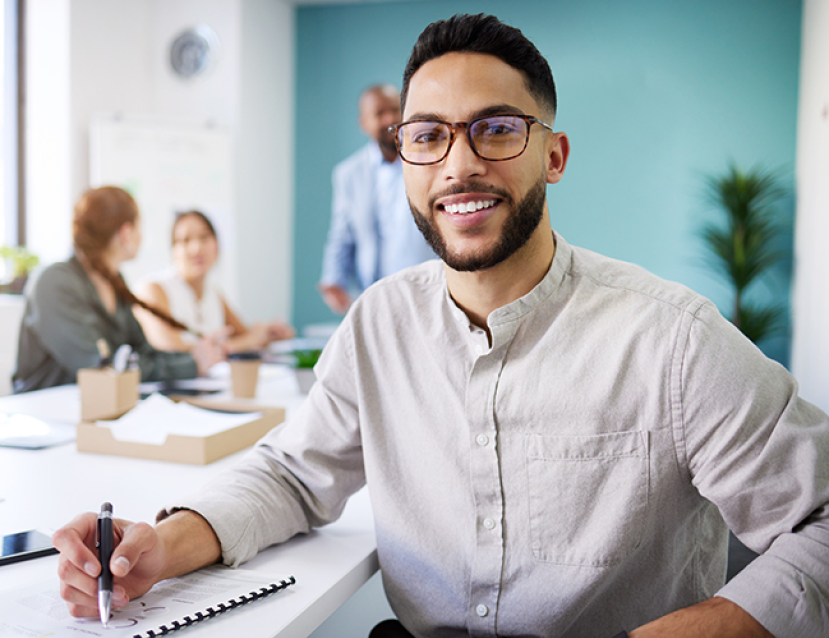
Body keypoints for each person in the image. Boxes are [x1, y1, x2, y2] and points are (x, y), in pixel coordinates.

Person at [52, 14, 829, 638]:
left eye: (495, 129)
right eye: (427, 136)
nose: (459, 164)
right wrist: (164, 545)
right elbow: (293, 475)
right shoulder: (379, 324)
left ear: (552, 155)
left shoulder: (670, 341)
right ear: (404, 161)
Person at [13, 187, 225, 393]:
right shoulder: (55, 282)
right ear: (126, 233)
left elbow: (144, 354)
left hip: (99, 408)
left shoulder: (114, 282)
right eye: (139, 227)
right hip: (45, 414)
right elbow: (100, 368)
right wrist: (189, 365)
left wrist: (196, 357)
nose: (142, 236)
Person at [318, 83, 435, 314]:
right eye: (379, 113)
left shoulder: (431, 160)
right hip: (376, 295)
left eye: (395, 110)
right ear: (364, 123)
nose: (390, 119)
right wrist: (333, 278)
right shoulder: (348, 174)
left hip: (429, 290)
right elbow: (342, 234)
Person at [135, 210, 295, 354]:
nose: (196, 248)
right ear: (173, 251)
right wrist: (244, 342)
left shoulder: (213, 294)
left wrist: (269, 333)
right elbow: (170, 349)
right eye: (185, 240)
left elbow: (245, 334)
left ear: (216, 245)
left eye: (204, 237)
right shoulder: (153, 289)